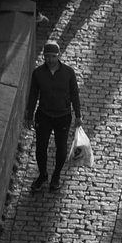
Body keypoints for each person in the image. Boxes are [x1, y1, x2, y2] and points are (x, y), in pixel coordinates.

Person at [25, 40, 82, 191]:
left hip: (63, 116)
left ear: (58, 56)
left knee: (61, 148)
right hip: (44, 115)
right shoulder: (38, 73)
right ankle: (43, 174)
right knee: (40, 148)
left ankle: (56, 176)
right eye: (47, 56)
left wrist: (78, 114)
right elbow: (33, 95)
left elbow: (75, 94)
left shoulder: (68, 73)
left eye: (53, 56)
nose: (50, 60)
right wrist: (29, 116)